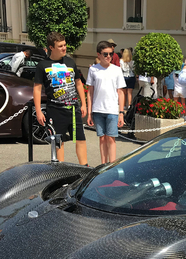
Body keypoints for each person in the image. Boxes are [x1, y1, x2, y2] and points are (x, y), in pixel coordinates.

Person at [33, 32, 88, 165]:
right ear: (51, 47)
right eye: (60, 46)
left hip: (73, 108)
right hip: (55, 109)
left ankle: (85, 167)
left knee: (80, 139)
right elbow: (37, 88)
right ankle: (60, 168)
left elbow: (78, 83)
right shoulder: (43, 65)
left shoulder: (70, 62)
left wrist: (83, 103)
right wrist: (39, 111)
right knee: (58, 140)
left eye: (64, 45)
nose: (64, 48)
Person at [86, 41, 126, 165]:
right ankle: (103, 165)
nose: (108, 56)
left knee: (111, 138)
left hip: (112, 109)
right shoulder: (93, 70)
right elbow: (90, 92)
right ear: (99, 54)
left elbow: (120, 92)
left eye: (111, 54)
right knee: (102, 138)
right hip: (98, 109)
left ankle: (112, 166)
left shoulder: (117, 70)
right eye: (105, 54)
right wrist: (89, 113)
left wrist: (121, 113)